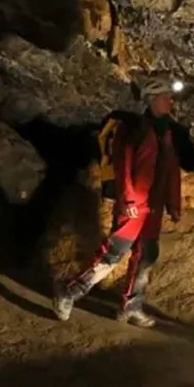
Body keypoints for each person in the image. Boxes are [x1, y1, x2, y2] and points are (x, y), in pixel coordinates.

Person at [52, 80, 183, 327]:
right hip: (135, 203)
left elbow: (172, 169)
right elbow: (122, 165)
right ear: (153, 99)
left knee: (146, 255)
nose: (171, 101)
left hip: (153, 208)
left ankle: (131, 306)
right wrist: (128, 199)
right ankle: (69, 291)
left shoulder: (165, 132)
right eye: (167, 96)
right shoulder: (132, 128)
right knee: (113, 253)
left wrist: (174, 203)